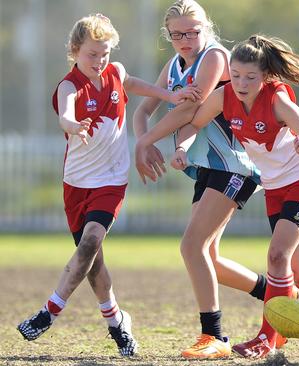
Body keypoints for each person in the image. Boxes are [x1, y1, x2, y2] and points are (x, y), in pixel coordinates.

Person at [134, 34, 299, 360]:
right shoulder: (223, 96)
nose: (241, 83)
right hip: (275, 187)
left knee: (277, 257)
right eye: (237, 74)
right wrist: (180, 147)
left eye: (250, 77)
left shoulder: (278, 102)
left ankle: (266, 339)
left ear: (266, 76)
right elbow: (191, 120)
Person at [16, 13, 199, 356]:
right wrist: (73, 126)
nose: (100, 62)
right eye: (91, 55)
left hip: (111, 181)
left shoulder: (114, 72)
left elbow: (133, 83)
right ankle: (117, 322)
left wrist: (170, 97)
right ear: (74, 51)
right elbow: (65, 113)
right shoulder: (70, 85)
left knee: (90, 244)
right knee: (92, 261)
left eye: (104, 54)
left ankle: (49, 311)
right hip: (76, 185)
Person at [132, 1, 279, 359]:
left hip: (235, 166)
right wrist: (143, 139)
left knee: (191, 246)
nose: (185, 39)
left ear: (206, 28)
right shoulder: (173, 65)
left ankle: (213, 336)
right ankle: (274, 294)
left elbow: (188, 110)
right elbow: (143, 108)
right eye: (177, 34)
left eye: (192, 32)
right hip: (209, 169)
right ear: (168, 34)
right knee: (207, 257)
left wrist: (147, 141)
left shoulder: (214, 57)